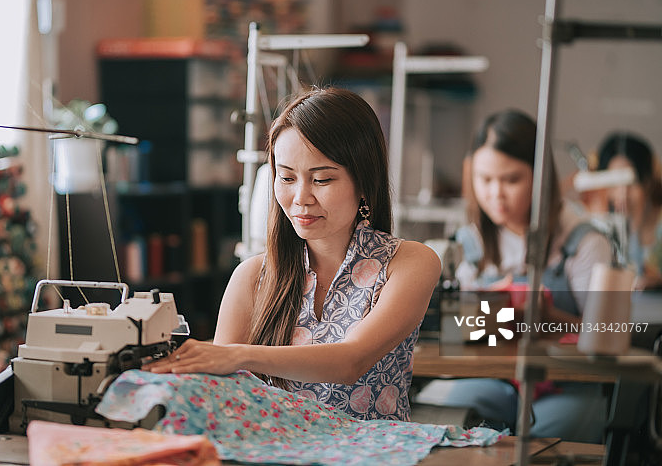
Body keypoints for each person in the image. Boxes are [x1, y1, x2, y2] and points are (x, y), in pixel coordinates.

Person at [143, 87, 441, 421]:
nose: (301, 197)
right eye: (286, 177)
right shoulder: (253, 276)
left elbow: (350, 361)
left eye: (322, 179)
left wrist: (238, 356)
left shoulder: (409, 263)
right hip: (273, 450)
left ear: (364, 181)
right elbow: (221, 390)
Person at [415, 109, 614, 443]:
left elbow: (607, 335)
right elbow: (451, 332)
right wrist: (483, 312)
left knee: (548, 439)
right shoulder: (471, 242)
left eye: (511, 180)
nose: (496, 194)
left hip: (566, 383)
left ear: (540, 177)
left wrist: (550, 318)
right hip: (496, 379)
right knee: (439, 412)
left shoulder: (584, 244)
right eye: (485, 179)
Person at [593, 132, 662, 290]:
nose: (622, 194)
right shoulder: (603, 224)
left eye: (632, 183)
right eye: (614, 183)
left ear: (647, 182)